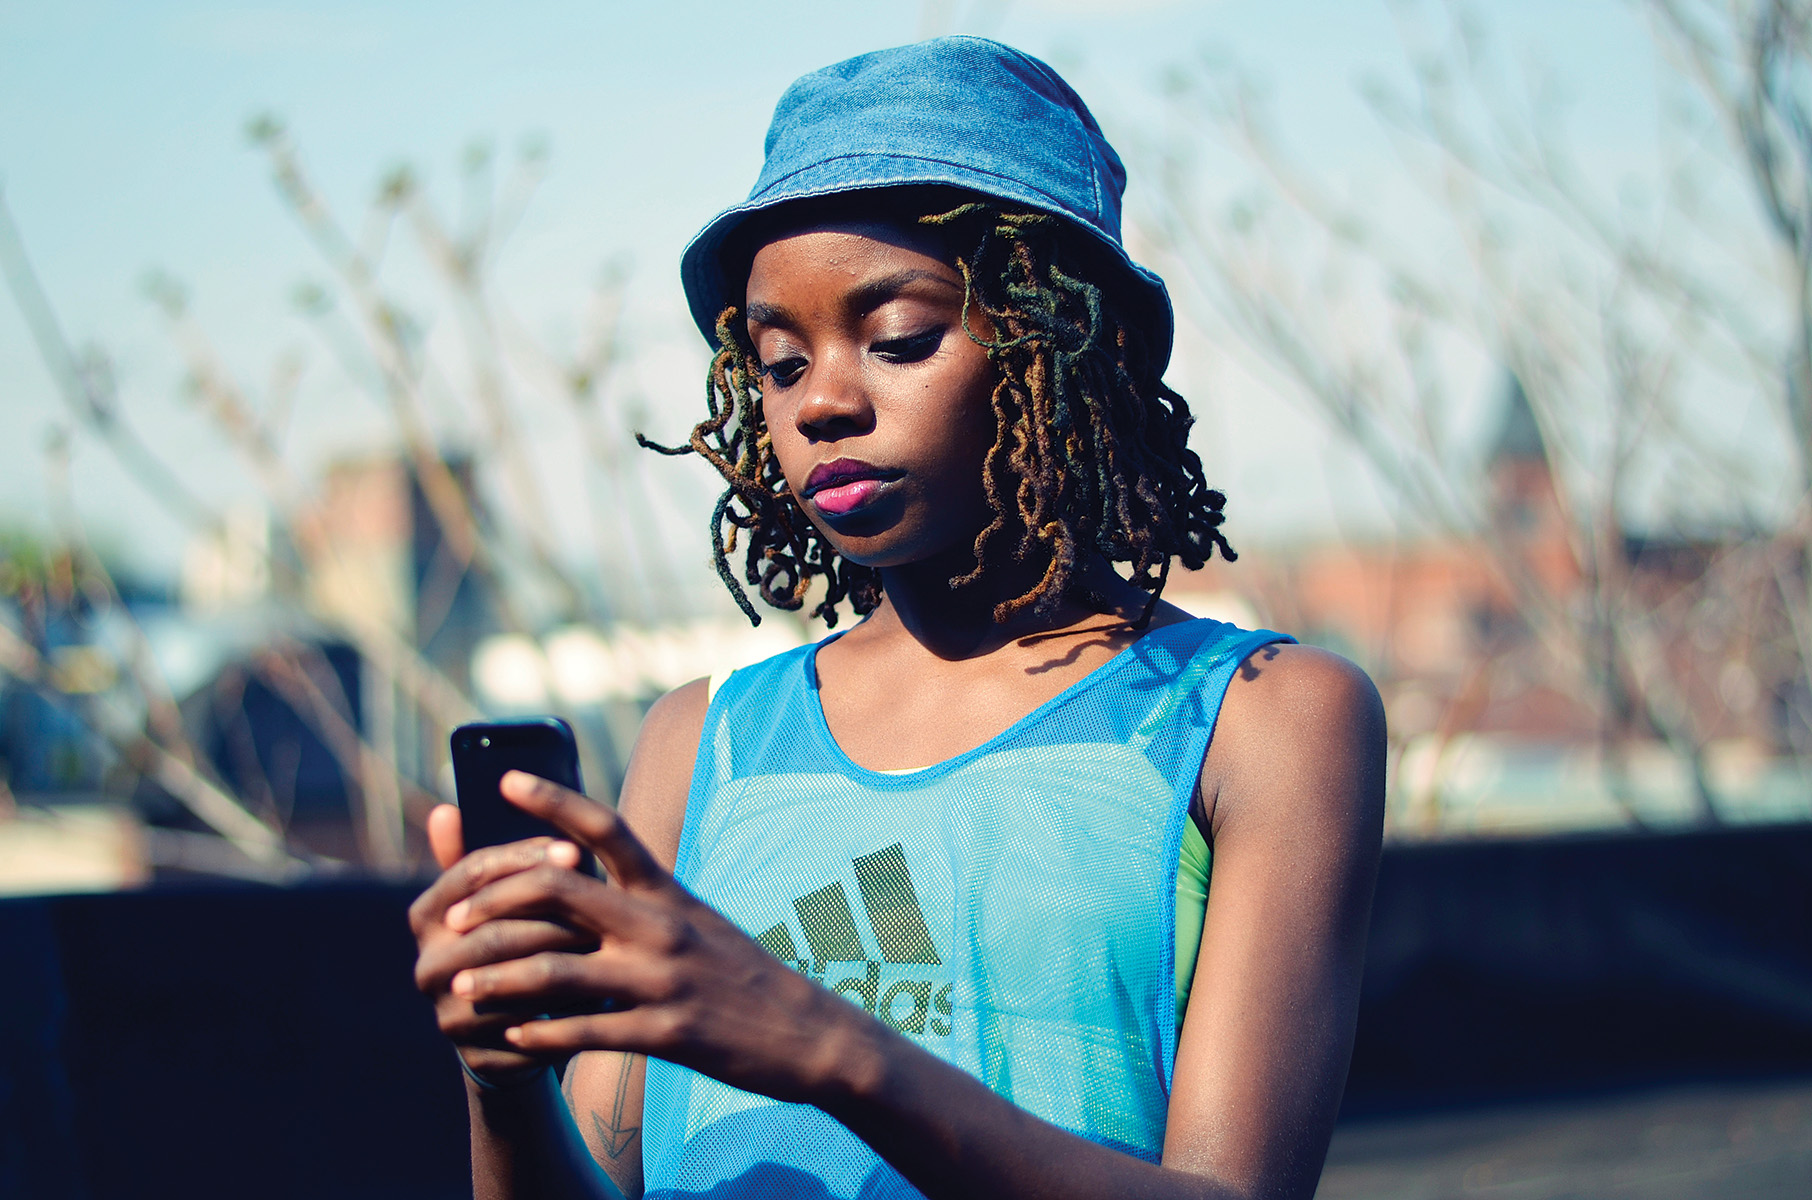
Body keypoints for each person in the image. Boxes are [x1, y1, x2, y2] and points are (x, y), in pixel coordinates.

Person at [410, 36, 1385, 1200]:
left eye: (900, 339)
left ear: (1067, 338)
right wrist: (503, 1081)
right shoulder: (701, 744)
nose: (823, 401)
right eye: (777, 362)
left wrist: (824, 1046)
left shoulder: (1258, 720)